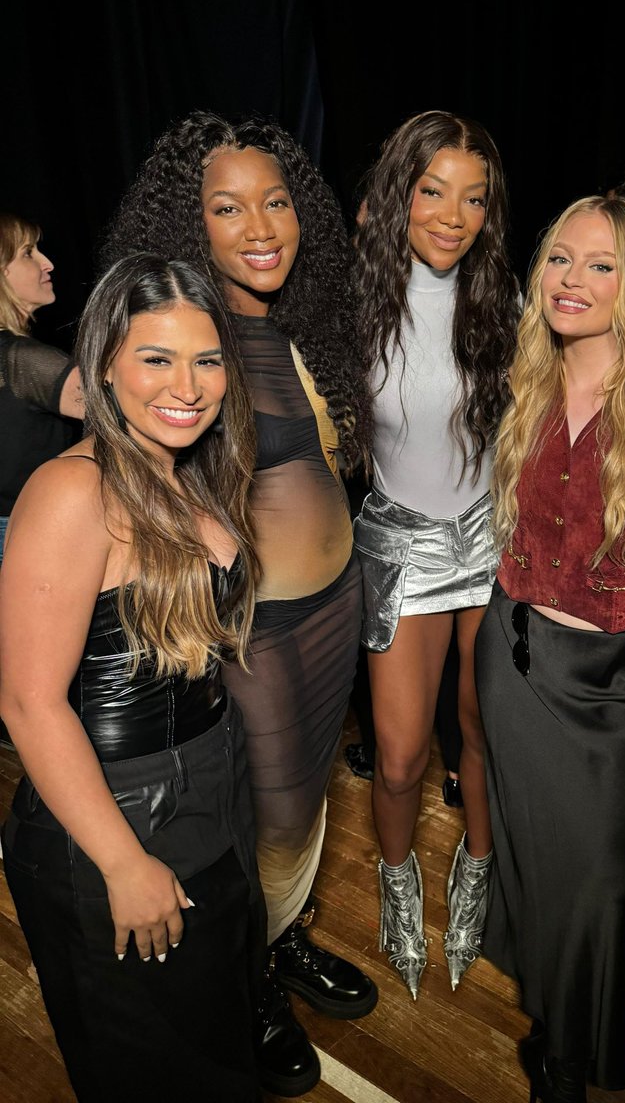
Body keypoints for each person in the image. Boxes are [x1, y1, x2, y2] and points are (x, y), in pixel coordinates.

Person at [102, 112, 376, 1094]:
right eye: (228, 207)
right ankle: (250, 983)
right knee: (273, 813)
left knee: (306, 810)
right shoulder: (190, 333)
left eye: (276, 200)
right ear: (190, 223)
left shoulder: (295, 325)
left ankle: (286, 939)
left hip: (339, 603)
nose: (262, 224)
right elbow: (97, 398)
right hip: (256, 628)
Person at [0, 254, 265, 1102]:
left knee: (216, 1043)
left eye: (207, 359)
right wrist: (122, 863)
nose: (187, 385)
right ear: (105, 363)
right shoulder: (71, 492)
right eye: (156, 358)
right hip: (115, 816)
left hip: (209, 792)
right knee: (152, 1066)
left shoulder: (184, 469)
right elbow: (29, 703)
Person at [476, 197, 625, 1102]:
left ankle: (582, 1041)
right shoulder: (526, 380)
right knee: (535, 862)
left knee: (597, 881)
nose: (572, 280)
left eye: (601, 265)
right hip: (512, 655)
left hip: (613, 688)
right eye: (560, 258)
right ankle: (568, 1038)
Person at [354, 111, 519, 998]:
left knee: (484, 732)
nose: (453, 215)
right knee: (399, 754)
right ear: (399, 194)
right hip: (401, 545)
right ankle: (396, 878)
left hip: (490, 540)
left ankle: (480, 866)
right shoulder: (352, 304)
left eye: (474, 199)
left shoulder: (509, 301)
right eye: (433, 191)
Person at [0, 212, 84, 563]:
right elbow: (129, 410)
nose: (46, 264)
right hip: (28, 530)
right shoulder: (23, 361)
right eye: (28, 253)